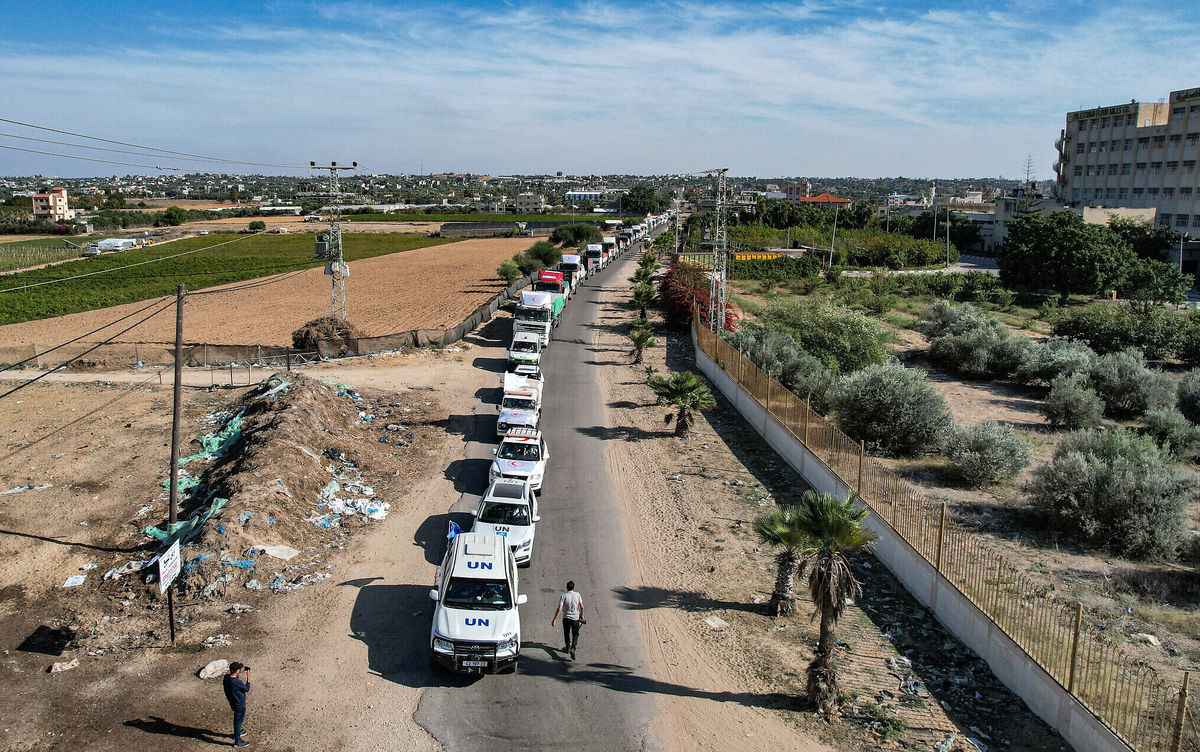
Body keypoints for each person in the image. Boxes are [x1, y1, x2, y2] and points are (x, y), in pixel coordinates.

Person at [550, 581, 584, 660]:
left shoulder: (564, 596)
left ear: (566, 587)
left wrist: (554, 619)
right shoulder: (578, 595)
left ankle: (567, 646)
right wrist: (581, 615)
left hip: (566, 618)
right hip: (575, 618)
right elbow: (582, 607)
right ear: (573, 587)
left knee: (566, 632)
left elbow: (560, 608)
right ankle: (573, 647)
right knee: (575, 633)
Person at [223, 662, 251, 747]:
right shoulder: (236, 682)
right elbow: (247, 689)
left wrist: (239, 672)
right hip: (239, 704)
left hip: (233, 702)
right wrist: (248, 677)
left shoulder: (226, 678)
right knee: (238, 721)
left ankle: (237, 733)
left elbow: (233, 677)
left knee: (237, 720)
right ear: (237, 671)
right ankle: (237, 740)